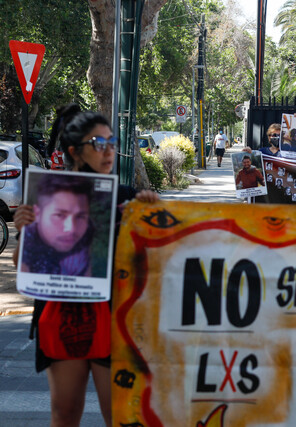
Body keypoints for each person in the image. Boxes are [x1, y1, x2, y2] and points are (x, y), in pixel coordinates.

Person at [12, 103, 158, 427]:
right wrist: (25, 230)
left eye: (111, 142)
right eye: (98, 144)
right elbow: (21, 262)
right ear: (75, 152)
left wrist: (151, 214)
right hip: (60, 314)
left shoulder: (128, 197)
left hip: (113, 317)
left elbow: (156, 255)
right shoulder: (46, 194)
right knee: (64, 414)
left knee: (119, 416)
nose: (108, 152)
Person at [20, 175, 93, 276]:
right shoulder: (30, 237)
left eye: (80, 216)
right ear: (37, 213)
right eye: (60, 215)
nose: (71, 229)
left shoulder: (87, 235)